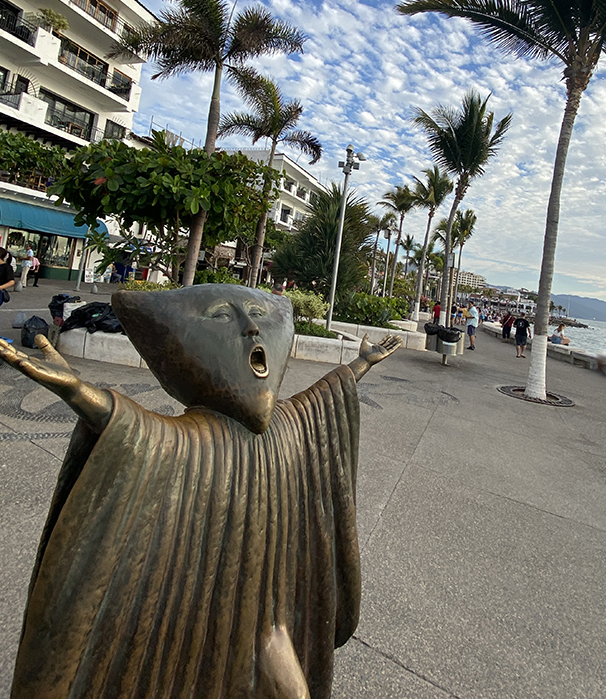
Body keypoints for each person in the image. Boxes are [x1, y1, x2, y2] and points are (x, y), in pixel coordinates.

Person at [0, 284, 402, 699]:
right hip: (198, 614)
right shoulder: (189, 441)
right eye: (222, 316)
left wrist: (359, 364)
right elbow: (139, 434)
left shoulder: (289, 426)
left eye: (257, 314)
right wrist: (77, 391)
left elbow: (318, 402)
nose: (249, 328)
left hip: (270, 618)